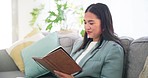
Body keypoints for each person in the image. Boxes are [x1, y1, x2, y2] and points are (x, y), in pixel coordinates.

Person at [53, 2, 124, 78]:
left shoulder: (113, 49)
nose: (87, 27)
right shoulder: (79, 43)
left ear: (104, 24)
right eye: (85, 22)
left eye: (91, 23)